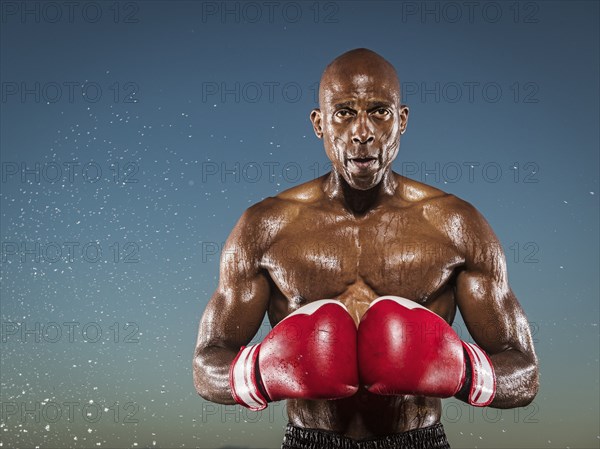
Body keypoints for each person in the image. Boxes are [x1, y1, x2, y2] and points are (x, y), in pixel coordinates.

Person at [193, 48, 539, 449]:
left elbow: (524, 372)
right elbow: (207, 365)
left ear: (402, 120)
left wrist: (463, 371)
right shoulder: (264, 227)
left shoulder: (456, 225)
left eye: (379, 111)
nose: (362, 132)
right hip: (309, 440)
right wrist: (258, 373)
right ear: (319, 123)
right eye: (343, 113)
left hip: (419, 440)